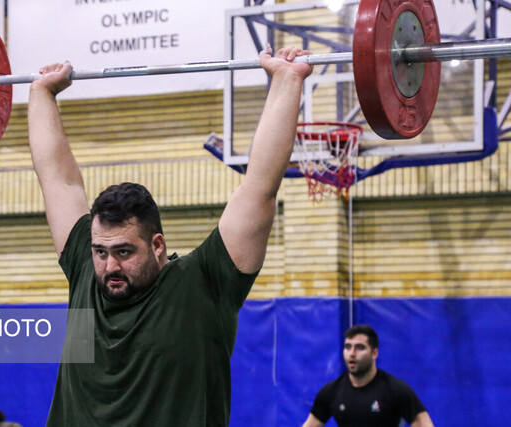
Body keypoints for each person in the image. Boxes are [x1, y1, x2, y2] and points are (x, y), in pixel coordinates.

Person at [27, 45, 312, 426]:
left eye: (124, 252)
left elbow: (259, 186)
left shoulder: (206, 281)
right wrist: (42, 92)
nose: (109, 265)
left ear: (157, 244)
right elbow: (57, 179)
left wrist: (287, 79)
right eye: (101, 251)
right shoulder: (86, 269)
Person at [302, 325, 434, 427]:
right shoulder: (331, 392)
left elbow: (424, 424)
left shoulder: (396, 389)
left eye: (359, 347)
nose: (352, 353)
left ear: (374, 353)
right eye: (348, 347)